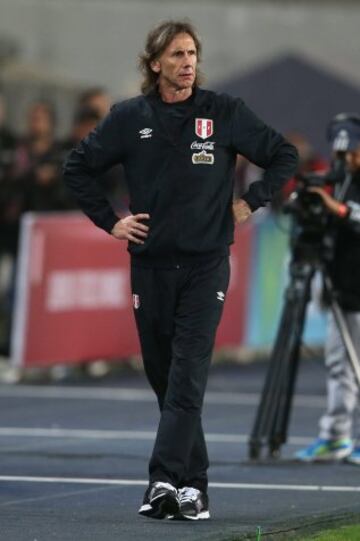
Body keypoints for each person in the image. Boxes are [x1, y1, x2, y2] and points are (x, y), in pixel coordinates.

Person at [63, 19, 298, 520]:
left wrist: (251, 201)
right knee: (167, 381)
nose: (187, 63)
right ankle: (194, 485)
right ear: (155, 64)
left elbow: (284, 154)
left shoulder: (224, 112)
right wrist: (111, 222)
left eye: (192, 54)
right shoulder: (129, 118)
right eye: (176, 55)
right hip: (149, 268)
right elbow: (77, 168)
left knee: (187, 377)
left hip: (206, 266)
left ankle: (162, 481)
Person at [296, 113, 360, 465]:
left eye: (353, 152)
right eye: (342, 154)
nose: (348, 160)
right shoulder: (341, 178)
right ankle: (337, 436)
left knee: (356, 364)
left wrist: (336, 208)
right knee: (339, 364)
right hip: (341, 283)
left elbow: (349, 215)